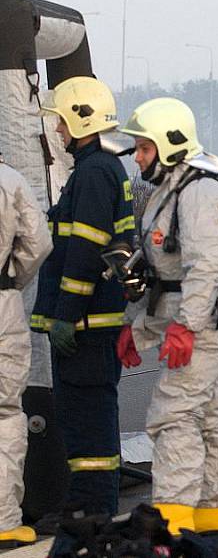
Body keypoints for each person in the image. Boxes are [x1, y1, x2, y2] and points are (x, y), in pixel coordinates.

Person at [118, 97, 218, 536]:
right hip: (195, 316)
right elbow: (165, 274)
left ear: (171, 145)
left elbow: (204, 268)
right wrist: (139, 329)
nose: (137, 157)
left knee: (173, 415)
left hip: (204, 321)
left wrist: (186, 328)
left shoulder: (200, 194)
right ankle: (210, 512)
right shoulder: (171, 193)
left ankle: (172, 517)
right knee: (208, 413)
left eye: (144, 148)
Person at [31, 76, 135, 518]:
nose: (57, 131)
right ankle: (89, 511)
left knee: (87, 430)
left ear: (80, 119)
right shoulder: (101, 169)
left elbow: (85, 252)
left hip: (84, 330)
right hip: (91, 327)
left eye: (61, 122)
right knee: (87, 427)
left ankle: (91, 518)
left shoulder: (94, 173)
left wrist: (65, 315)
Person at [0, 156, 53, 547]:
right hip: (2, 301)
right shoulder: (10, 180)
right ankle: (3, 520)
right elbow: (38, 242)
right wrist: (14, 280)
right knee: (4, 411)